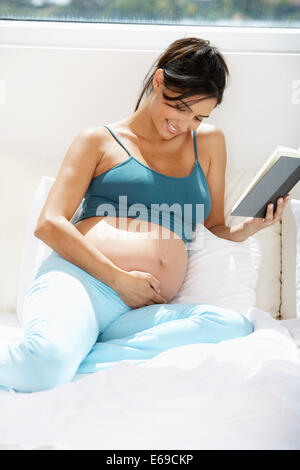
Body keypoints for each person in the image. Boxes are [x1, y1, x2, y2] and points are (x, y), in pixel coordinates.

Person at [0, 37, 289, 393]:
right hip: (83, 284)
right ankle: (60, 358)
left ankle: (79, 357)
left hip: (142, 310)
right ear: (158, 82)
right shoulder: (98, 141)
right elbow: (50, 224)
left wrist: (251, 226)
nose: (185, 124)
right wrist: (120, 279)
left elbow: (214, 227)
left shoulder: (209, 143)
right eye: (180, 108)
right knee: (43, 367)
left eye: (199, 116)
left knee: (230, 325)